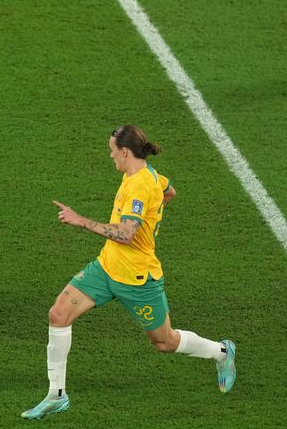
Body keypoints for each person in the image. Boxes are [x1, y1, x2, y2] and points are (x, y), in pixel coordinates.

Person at [21, 126, 237, 420]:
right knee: (58, 314)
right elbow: (169, 191)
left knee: (165, 341)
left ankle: (222, 352)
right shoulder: (145, 175)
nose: (110, 156)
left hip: (138, 279)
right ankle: (56, 395)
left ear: (125, 152)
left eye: (112, 151)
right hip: (107, 267)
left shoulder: (139, 186)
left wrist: (80, 220)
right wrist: (152, 214)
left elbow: (125, 235)